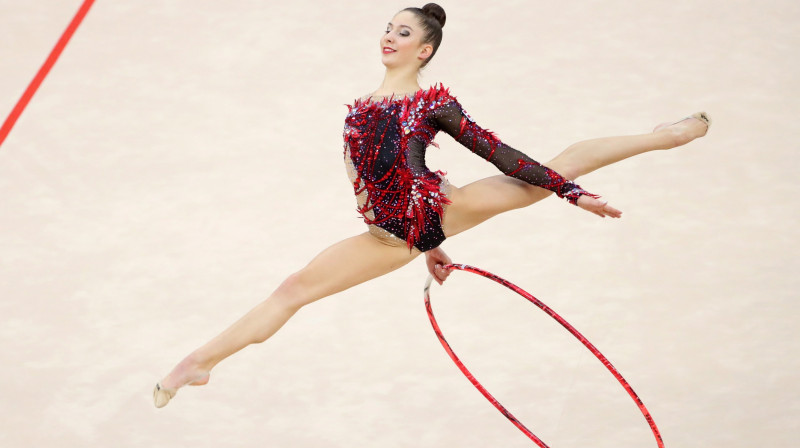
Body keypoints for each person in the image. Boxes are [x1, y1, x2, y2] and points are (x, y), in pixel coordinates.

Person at [153, 3, 710, 408]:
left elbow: (498, 151)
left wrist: (570, 196)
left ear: (425, 49)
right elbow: (366, 178)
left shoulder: (432, 103)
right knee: (293, 289)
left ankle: (665, 137)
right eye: (387, 29)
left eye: (402, 33)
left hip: (439, 210)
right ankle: (197, 364)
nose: (388, 38)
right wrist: (430, 248)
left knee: (555, 170)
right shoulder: (362, 107)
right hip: (388, 237)